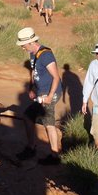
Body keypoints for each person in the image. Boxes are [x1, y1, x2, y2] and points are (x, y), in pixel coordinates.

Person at [16, 27, 63, 165]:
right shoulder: (33, 53)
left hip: (50, 93)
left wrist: (49, 96)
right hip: (41, 92)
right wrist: (32, 88)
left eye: (23, 45)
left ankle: (54, 156)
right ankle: (32, 147)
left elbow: (55, 77)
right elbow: (33, 70)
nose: (22, 48)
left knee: (48, 123)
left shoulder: (46, 55)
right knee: (28, 116)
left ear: (31, 42)